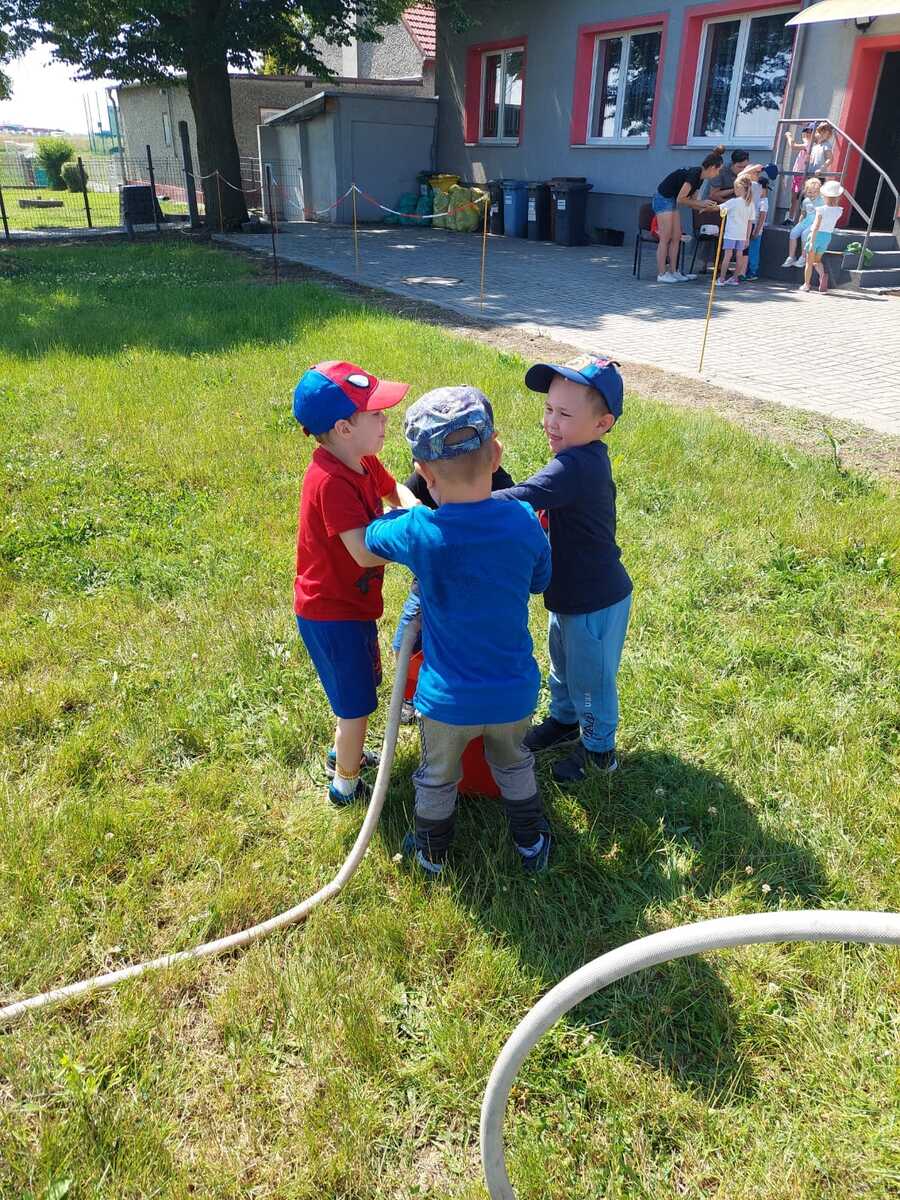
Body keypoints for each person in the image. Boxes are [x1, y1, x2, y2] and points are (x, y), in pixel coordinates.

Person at [363, 387, 553, 876]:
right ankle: (531, 842)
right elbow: (541, 580)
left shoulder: (419, 530)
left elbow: (372, 535)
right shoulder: (523, 520)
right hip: (513, 693)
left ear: (424, 475)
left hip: (447, 703)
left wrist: (407, 512)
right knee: (514, 763)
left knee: (437, 776)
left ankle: (431, 853)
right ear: (496, 455)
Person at [494, 356, 632, 785]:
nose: (551, 422)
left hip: (594, 600)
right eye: (549, 409)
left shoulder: (577, 466)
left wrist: (463, 498)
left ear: (602, 424)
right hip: (568, 593)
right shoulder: (576, 456)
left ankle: (599, 750)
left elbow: (524, 496)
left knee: (591, 679)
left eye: (566, 415)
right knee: (563, 664)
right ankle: (565, 720)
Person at [292, 360, 419, 808]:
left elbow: (396, 492)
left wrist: (418, 514)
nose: (385, 420)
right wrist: (412, 540)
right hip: (331, 613)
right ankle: (344, 788)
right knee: (357, 707)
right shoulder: (330, 482)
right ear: (344, 428)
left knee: (358, 689)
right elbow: (363, 552)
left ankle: (341, 755)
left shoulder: (362, 461)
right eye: (377, 414)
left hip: (353, 605)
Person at [391, 457, 514, 722]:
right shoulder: (426, 477)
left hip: (477, 588)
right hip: (428, 584)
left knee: (470, 645)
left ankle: (474, 695)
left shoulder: (497, 482)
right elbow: (398, 502)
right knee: (405, 644)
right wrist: (413, 512)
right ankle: (410, 693)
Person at [651, 147, 724, 283]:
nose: (718, 173)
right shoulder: (694, 174)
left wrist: (704, 207)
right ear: (712, 167)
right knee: (665, 238)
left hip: (672, 200)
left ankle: (674, 271)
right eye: (718, 170)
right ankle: (661, 274)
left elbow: (691, 202)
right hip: (663, 199)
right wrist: (701, 203)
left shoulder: (700, 178)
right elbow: (681, 199)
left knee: (676, 237)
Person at [802, 180, 844, 293]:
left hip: (816, 235)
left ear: (824, 195)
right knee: (817, 260)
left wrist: (811, 242)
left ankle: (806, 284)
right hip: (827, 237)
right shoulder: (839, 211)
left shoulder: (821, 210)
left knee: (809, 262)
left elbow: (816, 226)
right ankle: (822, 275)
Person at [717, 174, 755, 287]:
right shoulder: (750, 204)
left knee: (727, 256)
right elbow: (750, 223)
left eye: (735, 188)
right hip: (742, 235)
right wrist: (747, 238)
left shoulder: (733, 202)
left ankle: (721, 279)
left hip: (730, 234)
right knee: (739, 256)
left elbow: (720, 208)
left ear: (739, 188)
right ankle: (734, 278)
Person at [782, 177, 824, 268]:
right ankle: (791, 257)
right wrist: (799, 223)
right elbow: (803, 213)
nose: (812, 194)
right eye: (809, 192)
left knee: (805, 234)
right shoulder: (805, 201)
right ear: (806, 191)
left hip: (815, 223)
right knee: (793, 232)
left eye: (815, 192)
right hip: (806, 221)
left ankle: (803, 257)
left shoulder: (822, 201)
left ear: (819, 191)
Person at [782, 124, 815, 224]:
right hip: (798, 174)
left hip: (801, 175)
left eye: (810, 131)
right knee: (794, 198)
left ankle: (796, 220)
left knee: (799, 198)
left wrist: (789, 136)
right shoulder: (808, 143)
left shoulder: (809, 144)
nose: (807, 133)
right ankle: (791, 218)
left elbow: (793, 146)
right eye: (806, 131)